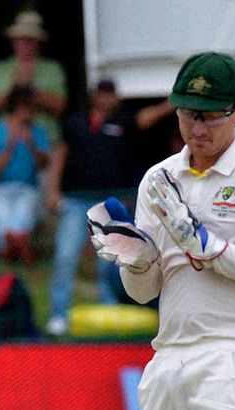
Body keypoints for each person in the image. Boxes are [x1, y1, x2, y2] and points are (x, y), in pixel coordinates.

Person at [87, 52, 235, 410]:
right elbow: (143, 292)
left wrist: (208, 246)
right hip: (168, 357)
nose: (197, 129)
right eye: (188, 114)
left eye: (208, 116)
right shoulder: (159, 178)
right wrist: (138, 262)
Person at [44, 79, 171, 337]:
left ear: (117, 97)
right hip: (76, 200)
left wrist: (173, 103)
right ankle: (58, 315)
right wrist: (53, 190)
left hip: (110, 202)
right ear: (94, 95)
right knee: (66, 256)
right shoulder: (76, 122)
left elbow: (147, 118)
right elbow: (60, 154)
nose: (106, 98)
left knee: (110, 260)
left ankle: (108, 312)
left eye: (111, 93)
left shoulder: (123, 122)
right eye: (102, 93)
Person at [0, 85, 50, 266]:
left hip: (27, 189)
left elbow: (44, 165)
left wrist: (31, 145)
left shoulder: (37, 132)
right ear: (19, 108)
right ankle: (19, 246)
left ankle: (11, 247)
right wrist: (9, 147)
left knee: (24, 210)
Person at [0, 10, 67, 146]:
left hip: (46, 142)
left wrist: (32, 93)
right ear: (13, 41)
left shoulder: (53, 69)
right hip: (5, 144)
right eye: (20, 38)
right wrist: (13, 94)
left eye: (30, 39)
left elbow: (61, 108)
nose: (25, 43)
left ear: (39, 42)